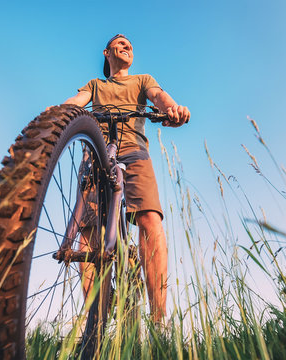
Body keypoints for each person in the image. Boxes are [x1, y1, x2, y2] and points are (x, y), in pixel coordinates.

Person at [52, 34, 190, 323]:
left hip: (133, 150)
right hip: (98, 152)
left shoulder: (142, 80)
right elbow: (76, 102)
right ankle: (96, 321)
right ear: (106, 52)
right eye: (120, 43)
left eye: (130, 44)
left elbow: (159, 97)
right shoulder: (96, 85)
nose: (127, 46)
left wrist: (172, 108)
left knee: (150, 219)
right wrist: (57, 114)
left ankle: (157, 322)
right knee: (87, 232)